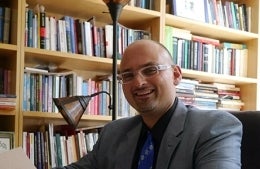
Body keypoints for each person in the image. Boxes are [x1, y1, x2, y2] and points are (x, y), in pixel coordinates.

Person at [57, 39, 243, 169]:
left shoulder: (214, 127)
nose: (139, 83)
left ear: (176, 75)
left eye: (150, 70)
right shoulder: (114, 132)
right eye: (128, 76)